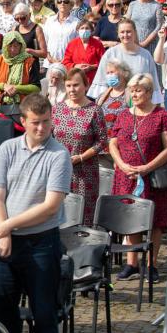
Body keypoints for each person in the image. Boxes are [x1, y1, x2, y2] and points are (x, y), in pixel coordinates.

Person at [0, 93, 72, 333]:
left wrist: (8, 227)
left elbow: (50, 207)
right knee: (2, 311)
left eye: (47, 121)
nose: (42, 128)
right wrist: (4, 232)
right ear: (23, 122)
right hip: (8, 243)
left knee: (45, 315)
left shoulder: (59, 154)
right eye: (36, 122)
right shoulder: (8, 149)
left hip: (41, 244)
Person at [107, 74, 167, 282]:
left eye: (139, 90)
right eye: (132, 90)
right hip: (126, 175)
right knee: (130, 217)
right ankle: (132, 263)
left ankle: (152, 264)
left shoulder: (161, 115)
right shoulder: (124, 115)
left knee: (154, 220)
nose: (134, 94)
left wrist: (147, 167)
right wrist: (121, 163)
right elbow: (113, 143)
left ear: (148, 92)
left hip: (152, 176)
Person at [52, 68, 108, 226]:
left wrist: (82, 157)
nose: (72, 89)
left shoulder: (95, 110)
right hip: (60, 170)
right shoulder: (57, 109)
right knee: (59, 210)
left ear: (86, 85)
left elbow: (102, 140)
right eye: (68, 85)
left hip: (85, 172)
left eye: (76, 85)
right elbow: (49, 136)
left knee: (82, 215)